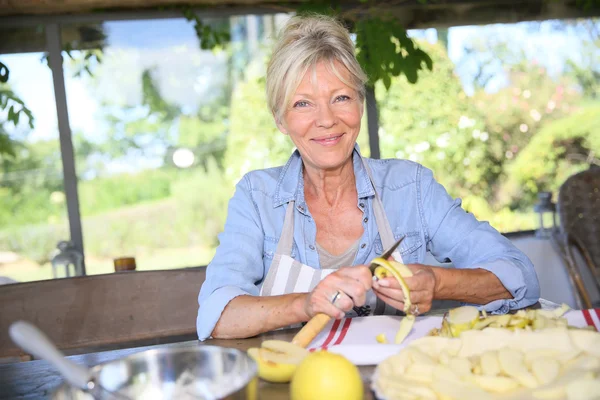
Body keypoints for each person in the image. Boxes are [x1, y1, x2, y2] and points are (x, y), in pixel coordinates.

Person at [196, 14, 540, 341]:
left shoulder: (411, 187)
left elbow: (519, 276)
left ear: (360, 104)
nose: (326, 119)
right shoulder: (257, 197)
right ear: (280, 119)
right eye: (303, 104)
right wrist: (305, 303)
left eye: (341, 97)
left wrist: (437, 281)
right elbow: (216, 316)